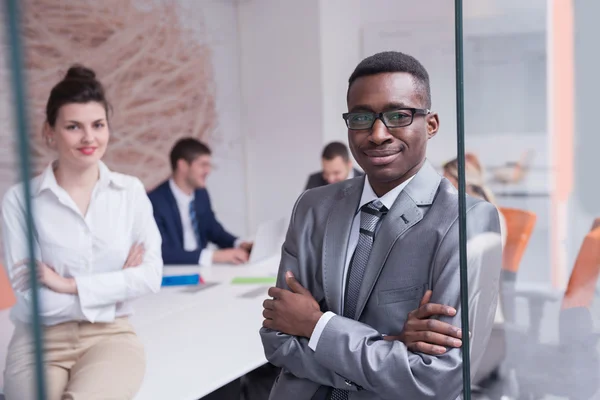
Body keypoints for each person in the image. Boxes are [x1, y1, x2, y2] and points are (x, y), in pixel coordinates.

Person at [260, 51, 502, 399]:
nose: (376, 134)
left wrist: (316, 325)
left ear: (431, 124)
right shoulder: (313, 207)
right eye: (361, 117)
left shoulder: (466, 221)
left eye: (398, 115)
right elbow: (278, 338)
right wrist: (392, 345)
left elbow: (438, 378)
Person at [2, 65, 163, 400]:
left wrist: (69, 284)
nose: (89, 138)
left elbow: (150, 277)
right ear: (50, 131)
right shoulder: (21, 200)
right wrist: (116, 286)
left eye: (98, 125)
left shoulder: (130, 192)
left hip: (111, 336)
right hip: (38, 341)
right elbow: (34, 301)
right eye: (74, 127)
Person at [148, 138, 251, 266]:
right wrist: (215, 255)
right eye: (203, 165)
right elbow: (162, 252)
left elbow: (214, 230)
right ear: (183, 166)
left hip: (202, 271)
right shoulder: (154, 201)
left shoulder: (200, 194)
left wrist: (240, 244)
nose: (208, 171)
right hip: (174, 274)